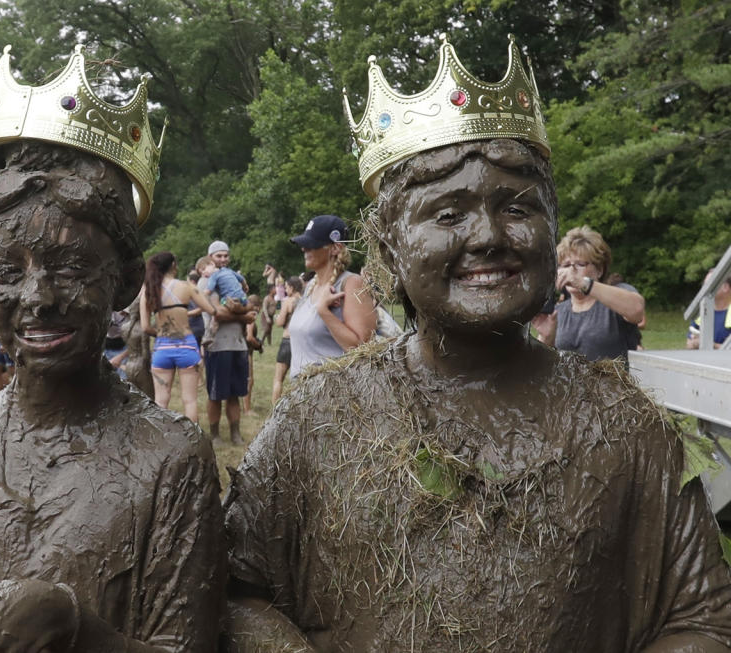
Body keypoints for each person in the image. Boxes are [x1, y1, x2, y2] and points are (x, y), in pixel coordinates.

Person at [223, 35, 731, 652]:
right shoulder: (316, 418)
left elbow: (702, 618)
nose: (488, 235)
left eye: (517, 207)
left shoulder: (628, 427)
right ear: (389, 250)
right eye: (447, 214)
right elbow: (235, 593)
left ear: (551, 231)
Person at [0, 45, 224, 653]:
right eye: (7, 270)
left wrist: (71, 626)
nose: (39, 297)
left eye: (73, 265)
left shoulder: (172, 458)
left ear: (126, 280)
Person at [532, 226, 645, 363]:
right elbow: (538, 365)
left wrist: (584, 283)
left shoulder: (616, 296)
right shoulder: (558, 312)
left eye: (580, 264)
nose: (570, 272)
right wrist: (546, 338)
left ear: (599, 270)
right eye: (566, 265)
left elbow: (637, 309)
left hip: (614, 383)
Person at [286, 214, 376, 377]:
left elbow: (362, 350)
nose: (304, 249)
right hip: (303, 396)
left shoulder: (351, 283)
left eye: (312, 244)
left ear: (335, 248)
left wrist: (324, 311)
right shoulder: (310, 287)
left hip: (333, 395)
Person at [140, 251, 219, 422]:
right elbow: (212, 310)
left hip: (162, 348)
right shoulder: (187, 286)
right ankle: (194, 441)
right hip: (187, 346)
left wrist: (161, 333)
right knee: (189, 401)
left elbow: (145, 326)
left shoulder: (148, 289)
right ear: (173, 265)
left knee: (161, 401)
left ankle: (160, 440)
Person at [203, 240, 255, 446]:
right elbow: (220, 313)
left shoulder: (232, 277)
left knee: (235, 393)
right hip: (217, 346)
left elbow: (250, 303)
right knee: (215, 394)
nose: (223, 259)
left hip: (238, 345)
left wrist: (245, 309)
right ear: (210, 258)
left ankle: (235, 433)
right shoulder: (207, 280)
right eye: (218, 256)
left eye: (225, 255)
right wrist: (244, 317)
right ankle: (214, 435)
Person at [271, 276, 303, 404]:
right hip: (300, 342)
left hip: (287, 341)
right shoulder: (305, 300)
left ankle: (275, 409)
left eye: (286, 287)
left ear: (292, 288)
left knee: (278, 379)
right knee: (298, 378)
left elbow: (280, 322)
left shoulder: (288, 301)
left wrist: (277, 318)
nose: (285, 289)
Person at [687, 269, 730, 349]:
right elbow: (689, 344)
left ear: (725, 287)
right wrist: (694, 343)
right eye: (704, 284)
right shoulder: (700, 311)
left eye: (709, 284)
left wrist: (709, 344)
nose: (704, 288)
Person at [243, 294, 264, 414]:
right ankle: (247, 409)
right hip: (247, 352)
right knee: (249, 380)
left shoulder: (244, 315)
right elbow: (250, 337)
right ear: (256, 306)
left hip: (243, 350)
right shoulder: (250, 317)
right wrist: (259, 345)